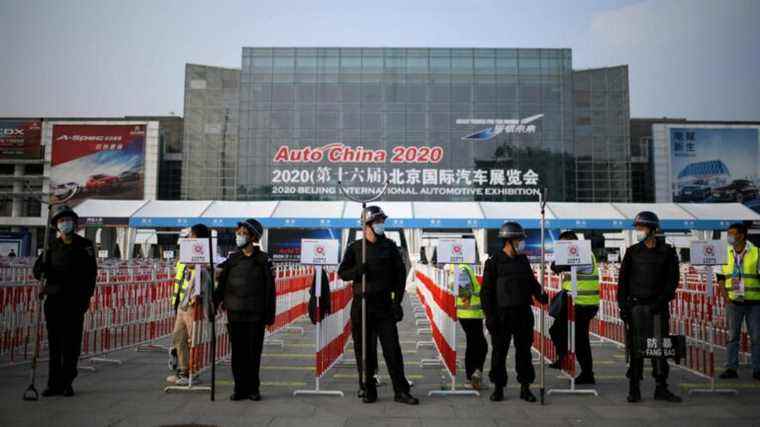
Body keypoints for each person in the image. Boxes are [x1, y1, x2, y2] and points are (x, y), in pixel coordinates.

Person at [338, 206, 418, 405]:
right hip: (362, 306)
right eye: (377, 221)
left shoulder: (390, 247)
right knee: (364, 350)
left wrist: (397, 302)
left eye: (382, 221)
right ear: (366, 225)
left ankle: (401, 390)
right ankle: (367, 388)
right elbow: (343, 273)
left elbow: (400, 277)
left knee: (392, 350)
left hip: (384, 306)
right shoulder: (356, 248)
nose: (381, 224)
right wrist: (358, 271)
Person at [32, 205, 97, 397]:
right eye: (61, 221)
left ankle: (68, 381)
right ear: (56, 226)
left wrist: (86, 298)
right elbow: (37, 271)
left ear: (74, 224)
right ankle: (53, 384)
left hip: (75, 301)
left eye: (67, 220)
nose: (65, 224)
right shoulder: (51, 246)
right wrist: (42, 270)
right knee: (55, 344)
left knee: (71, 344)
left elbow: (91, 275)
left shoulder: (85, 245)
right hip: (54, 300)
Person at [617, 211, 681, 403]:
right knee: (636, 349)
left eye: (641, 228)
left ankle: (661, 387)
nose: (638, 231)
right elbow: (623, 282)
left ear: (652, 229)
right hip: (636, 308)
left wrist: (660, 302)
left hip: (658, 308)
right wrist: (623, 307)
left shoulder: (668, 252)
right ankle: (634, 388)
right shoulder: (632, 251)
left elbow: (672, 281)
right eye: (637, 228)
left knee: (659, 349)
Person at [481, 221, 548, 402]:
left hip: (522, 314)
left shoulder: (523, 260)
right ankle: (498, 387)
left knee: (524, 352)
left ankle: (525, 387)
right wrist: (490, 316)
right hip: (501, 315)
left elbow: (532, 283)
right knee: (499, 353)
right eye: (519, 240)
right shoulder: (494, 262)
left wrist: (540, 294)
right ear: (509, 241)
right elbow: (486, 292)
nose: (521, 243)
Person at [214, 218, 276, 401]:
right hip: (235, 314)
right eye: (238, 233)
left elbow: (270, 290)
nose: (239, 236)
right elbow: (221, 282)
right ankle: (239, 388)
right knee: (238, 354)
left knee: (253, 354)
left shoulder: (263, 260)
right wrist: (214, 302)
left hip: (255, 315)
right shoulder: (233, 258)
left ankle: (253, 389)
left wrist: (269, 315)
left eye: (243, 233)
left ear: (253, 237)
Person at [548, 230, 600, 384]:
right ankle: (564, 359)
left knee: (580, 339)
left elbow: (556, 266)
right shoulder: (580, 254)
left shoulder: (582, 255)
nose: (562, 248)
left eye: (564, 244)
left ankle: (587, 373)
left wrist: (559, 260)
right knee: (558, 330)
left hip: (583, 304)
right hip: (575, 303)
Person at [166, 225, 209, 385]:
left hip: (192, 305)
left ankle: (193, 372)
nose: (188, 236)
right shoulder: (185, 254)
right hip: (181, 304)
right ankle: (184, 371)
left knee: (193, 339)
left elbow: (203, 277)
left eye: (191, 234)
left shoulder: (203, 255)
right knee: (179, 337)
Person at [718, 222, 760, 381]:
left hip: (754, 302)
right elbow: (720, 277)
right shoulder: (725, 252)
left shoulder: (757, 252)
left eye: (732, 233)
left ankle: (758, 369)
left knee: (756, 337)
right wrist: (726, 297)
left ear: (741, 235)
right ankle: (731, 368)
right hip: (733, 302)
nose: (729, 236)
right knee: (732, 336)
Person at [452, 263, 488, 390]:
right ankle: (473, 375)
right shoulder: (463, 268)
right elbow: (464, 293)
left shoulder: (459, 267)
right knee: (479, 346)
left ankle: (474, 375)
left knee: (473, 344)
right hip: (470, 314)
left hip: (467, 314)